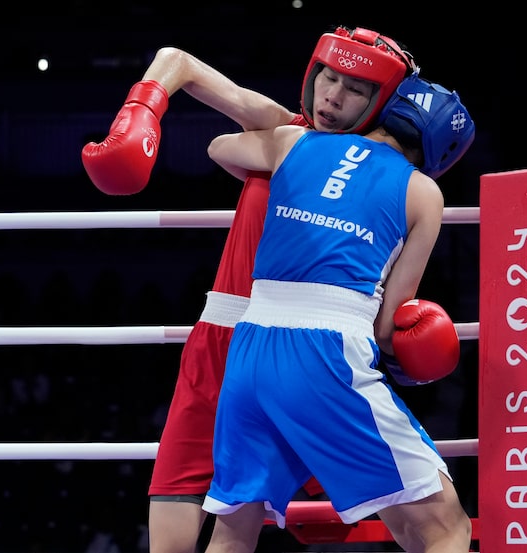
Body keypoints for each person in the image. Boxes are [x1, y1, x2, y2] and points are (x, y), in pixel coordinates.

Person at [81, 26, 419, 553]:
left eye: (353, 88)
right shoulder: (287, 131)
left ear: (382, 101)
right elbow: (178, 60)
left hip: (307, 350)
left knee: (326, 526)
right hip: (222, 336)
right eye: (329, 77)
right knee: (171, 533)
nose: (333, 96)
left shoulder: (390, 181)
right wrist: (141, 111)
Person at [200, 71, 476, 553]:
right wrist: (413, 362)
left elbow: (220, 148)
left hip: (250, 348)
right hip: (327, 352)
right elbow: (390, 324)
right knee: (447, 526)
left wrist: (297, 152)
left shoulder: (297, 141)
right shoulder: (422, 193)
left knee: (234, 531)